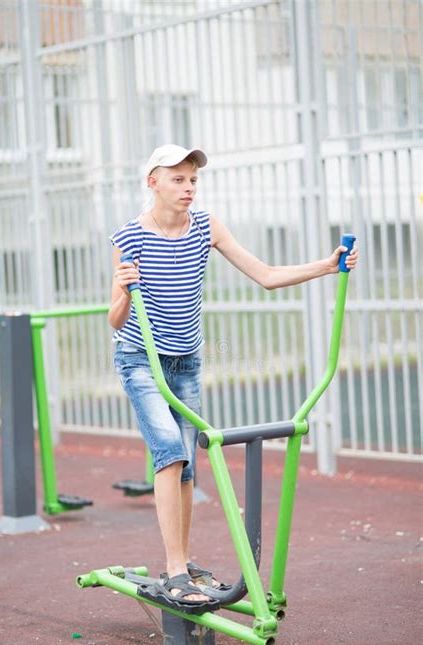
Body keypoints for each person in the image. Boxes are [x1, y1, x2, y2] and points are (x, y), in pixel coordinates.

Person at [108, 144, 358, 614]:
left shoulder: (206, 225)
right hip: (140, 359)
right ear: (153, 182)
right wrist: (124, 289)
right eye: (178, 179)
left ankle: (178, 565)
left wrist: (327, 267)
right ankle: (177, 571)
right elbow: (115, 318)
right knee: (168, 455)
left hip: (184, 362)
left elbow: (263, 275)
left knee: (187, 467)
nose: (188, 188)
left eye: (193, 180)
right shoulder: (130, 236)